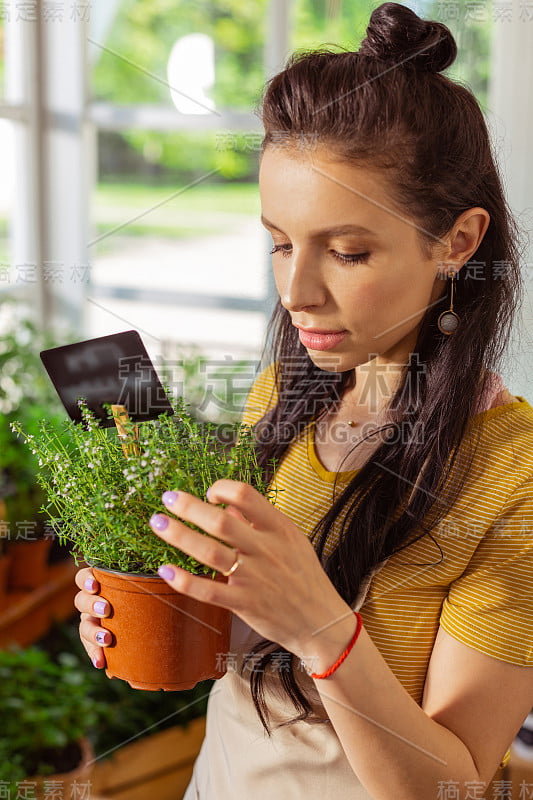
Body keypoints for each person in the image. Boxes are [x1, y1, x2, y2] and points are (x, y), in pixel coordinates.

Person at [74, 3, 533, 798]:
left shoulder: (513, 473)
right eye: (279, 242)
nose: (294, 291)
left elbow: (452, 786)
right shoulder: (286, 394)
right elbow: (248, 650)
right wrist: (153, 612)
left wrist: (322, 625)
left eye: (347, 251)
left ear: (457, 243)